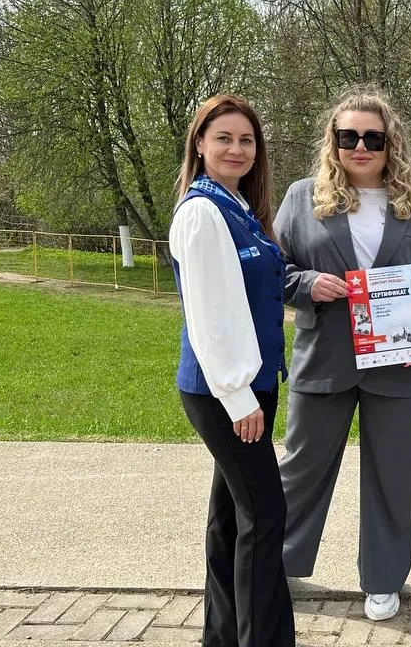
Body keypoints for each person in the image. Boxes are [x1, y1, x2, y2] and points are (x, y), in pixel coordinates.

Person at [274, 87, 411, 622]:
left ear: (390, 143)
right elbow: (274, 271)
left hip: (398, 364)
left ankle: (383, 578)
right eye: (348, 136)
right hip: (324, 357)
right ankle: (278, 565)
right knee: (301, 470)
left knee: (393, 475)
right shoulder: (300, 198)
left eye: (372, 137)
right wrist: (309, 283)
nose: (360, 146)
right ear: (332, 142)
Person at [168, 94, 295, 647]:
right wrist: (238, 396)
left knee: (231, 519)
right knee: (266, 516)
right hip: (226, 392)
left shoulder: (239, 206)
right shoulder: (201, 212)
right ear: (200, 143)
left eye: (246, 140)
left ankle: (221, 638)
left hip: (250, 386)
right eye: (223, 138)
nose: (236, 149)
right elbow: (210, 316)